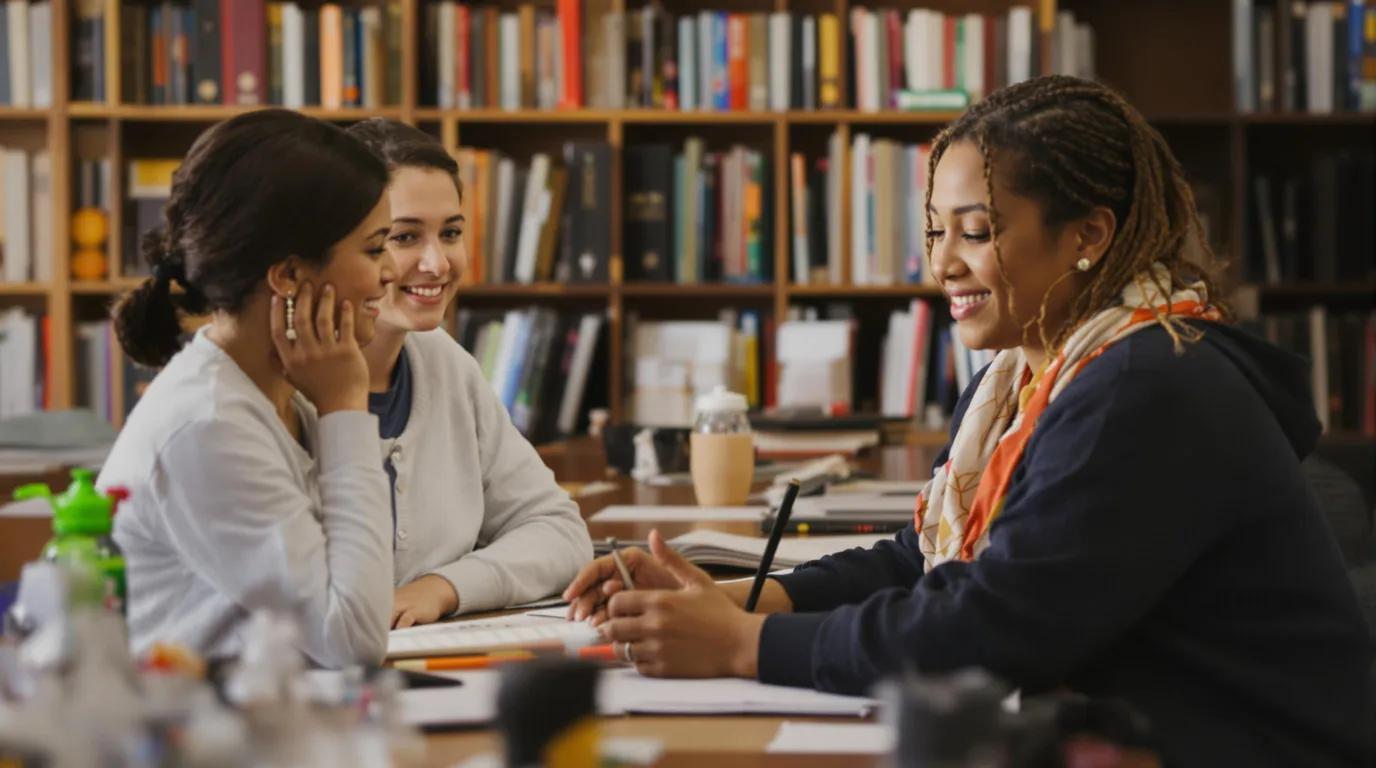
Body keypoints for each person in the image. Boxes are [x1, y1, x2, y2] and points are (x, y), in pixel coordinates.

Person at [563, 76, 1375, 766]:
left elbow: (992, 630)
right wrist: (748, 599)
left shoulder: (1143, 386)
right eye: (934, 230)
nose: (942, 262)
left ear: (1089, 235)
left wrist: (741, 647)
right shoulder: (1029, 374)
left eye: (977, 231)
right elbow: (924, 560)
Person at [98, 110, 398, 668]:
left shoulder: (284, 392)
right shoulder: (208, 425)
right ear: (287, 276)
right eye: (375, 249)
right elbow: (351, 641)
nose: (391, 272)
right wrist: (347, 409)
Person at [343, 119, 591, 629]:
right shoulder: (283, 389)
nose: (437, 263)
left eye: (451, 233)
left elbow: (559, 531)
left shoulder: (446, 362)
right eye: (405, 236)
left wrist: (445, 587)